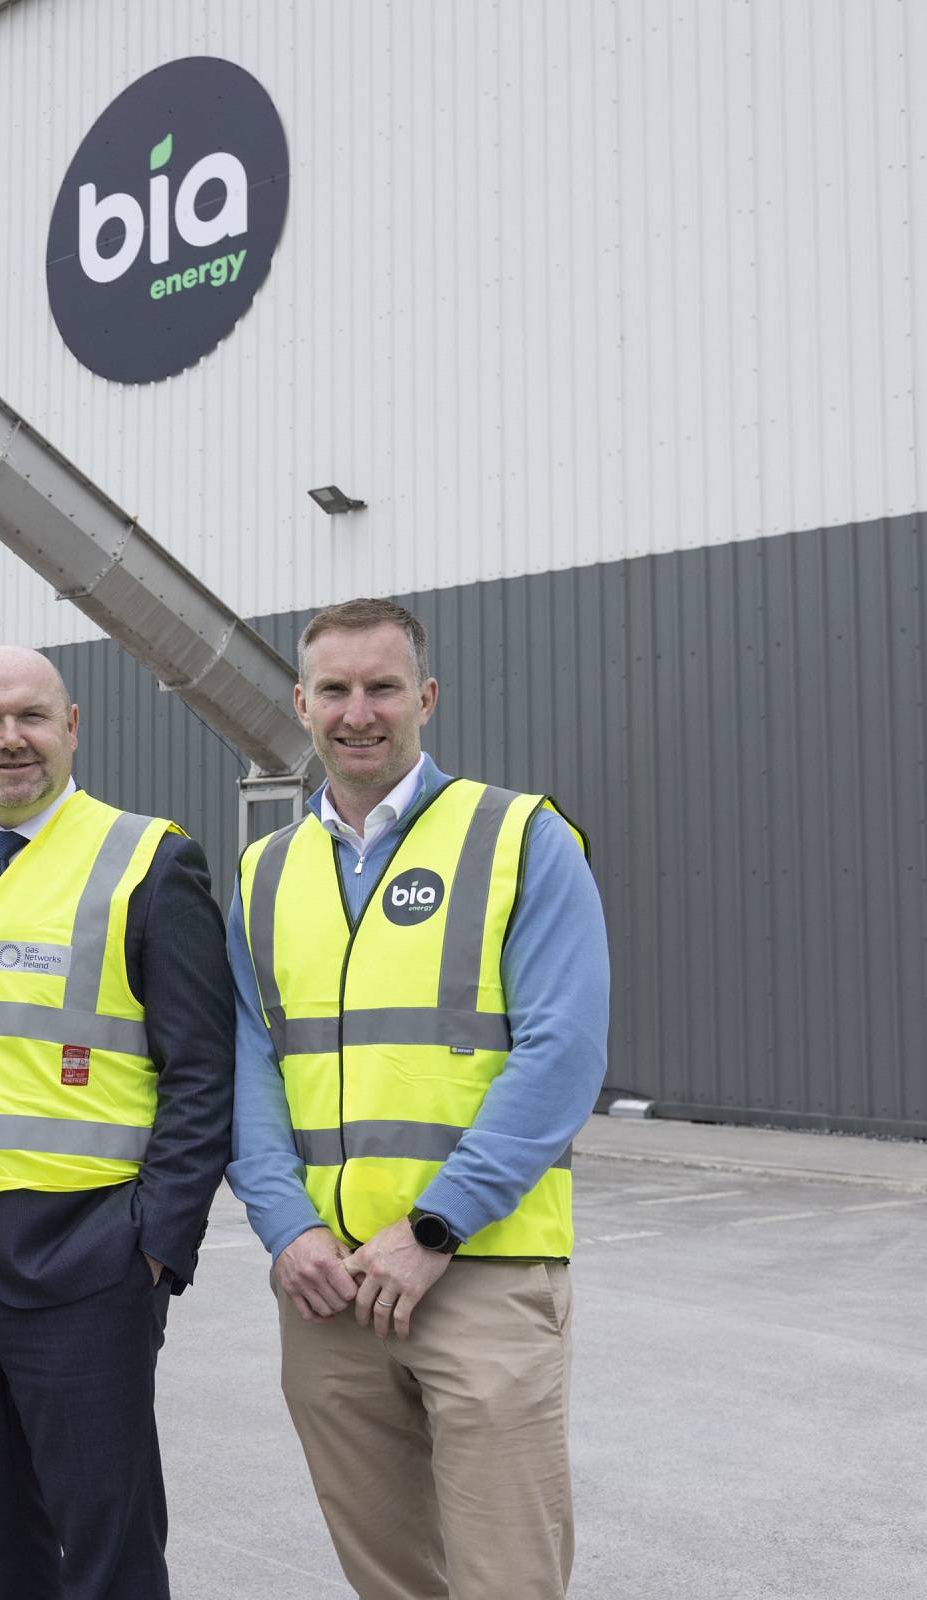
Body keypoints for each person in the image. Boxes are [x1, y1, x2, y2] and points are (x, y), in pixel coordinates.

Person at [226, 597, 608, 1600]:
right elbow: (252, 1066)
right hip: (330, 1286)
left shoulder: (521, 837)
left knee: (507, 1577)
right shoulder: (264, 872)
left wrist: (434, 1227)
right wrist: (286, 1230)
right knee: (390, 1580)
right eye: (336, 690)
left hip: (481, 1271)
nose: (359, 712)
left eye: (383, 687)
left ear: (426, 697)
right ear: (301, 703)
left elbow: (562, 1055)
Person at [0, 644, 236, 1600]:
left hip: (90, 1257)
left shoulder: (149, 861)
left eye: (31, 716)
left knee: (108, 1557)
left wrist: (155, 1248)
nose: (10, 739)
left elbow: (203, 1071)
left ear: (72, 727)